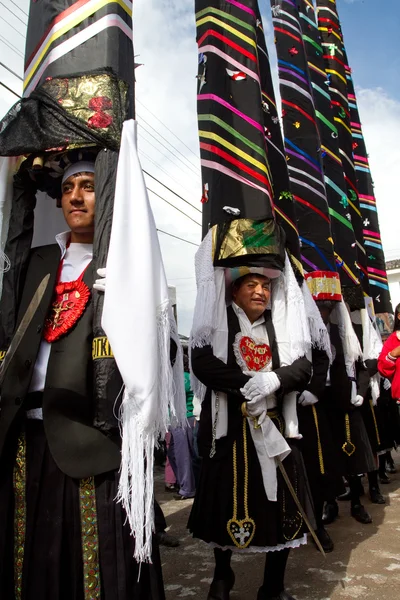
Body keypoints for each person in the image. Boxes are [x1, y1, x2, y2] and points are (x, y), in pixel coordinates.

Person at [0, 162, 165, 599]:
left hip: (93, 439)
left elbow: (154, 351)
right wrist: (21, 185)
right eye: (68, 187)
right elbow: (9, 254)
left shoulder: (126, 266)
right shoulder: (39, 261)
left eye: (89, 187)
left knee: (95, 564)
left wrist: (132, 301)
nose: (76, 196)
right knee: (34, 559)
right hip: (29, 439)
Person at [189, 270, 313, 600]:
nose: (261, 291)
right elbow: (201, 363)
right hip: (229, 429)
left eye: (266, 286)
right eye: (252, 285)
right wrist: (246, 383)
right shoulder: (217, 321)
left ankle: (273, 584)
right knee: (225, 503)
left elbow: (303, 367)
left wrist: (273, 380)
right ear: (234, 290)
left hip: (275, 426)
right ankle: (222, 573)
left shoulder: (281, 324)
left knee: (282, 506)